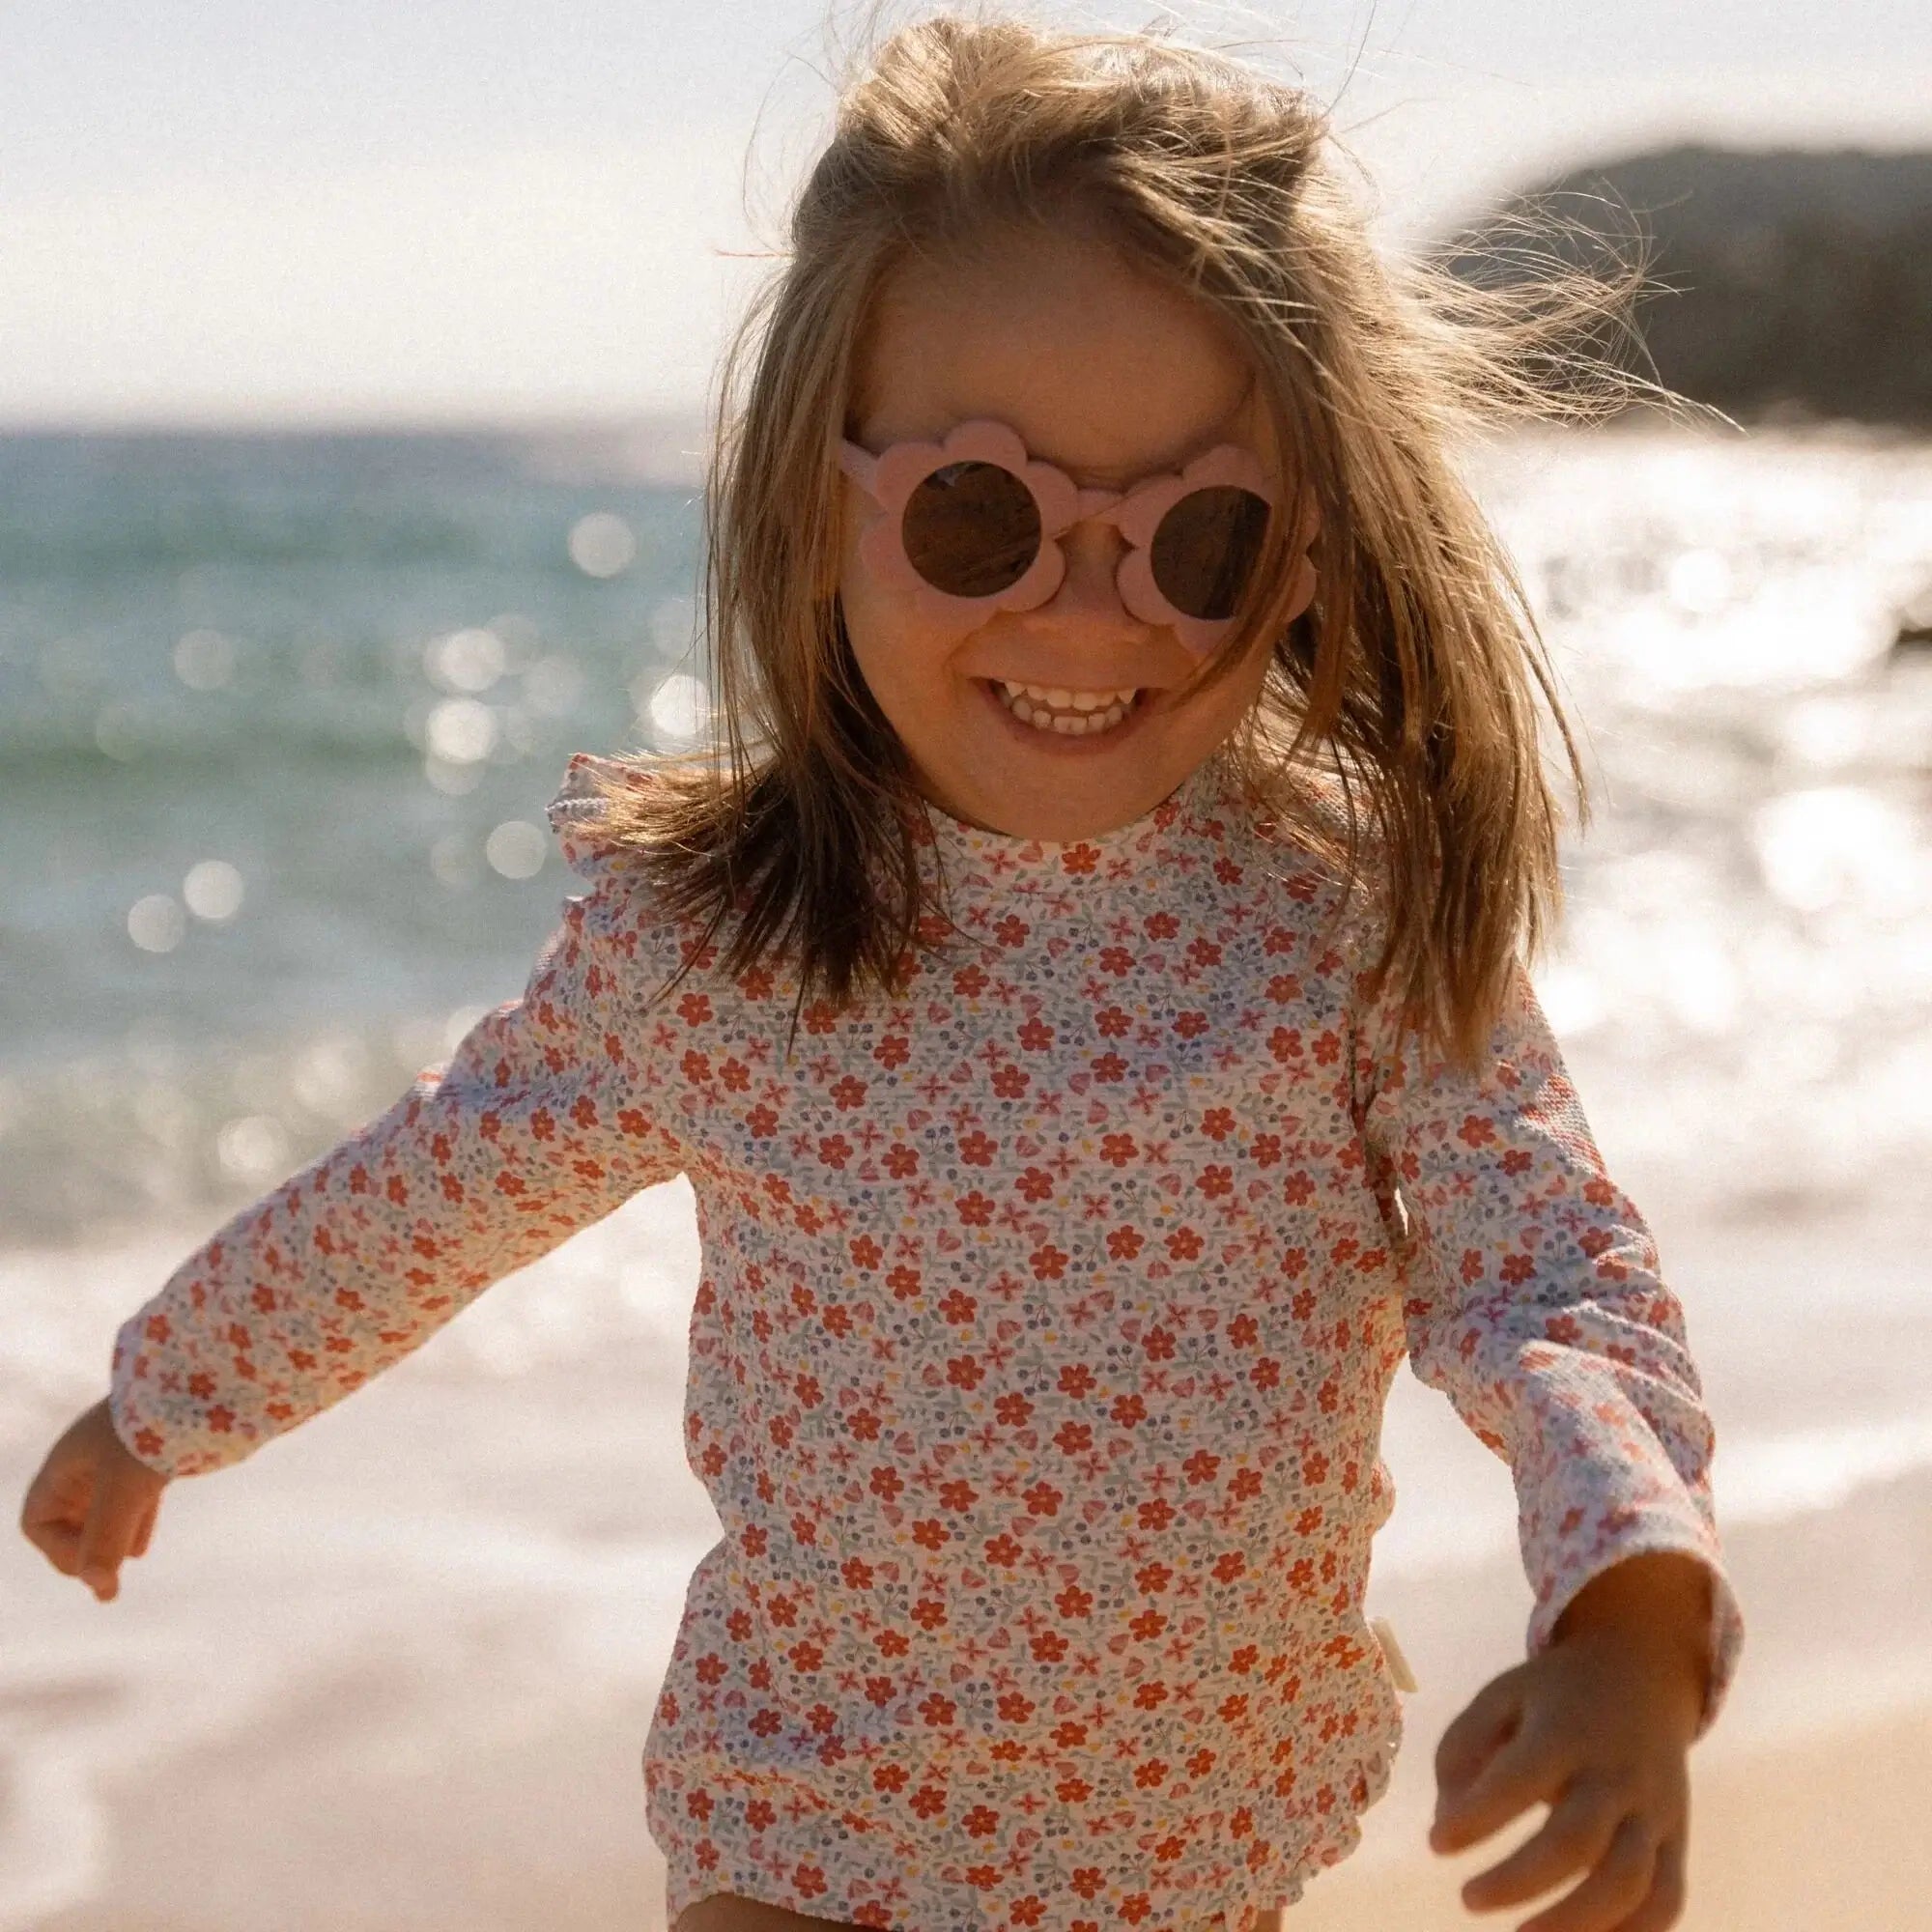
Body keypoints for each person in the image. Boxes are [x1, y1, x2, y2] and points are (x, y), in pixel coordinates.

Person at [20, 13, 1745, 1932]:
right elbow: (431, 1195)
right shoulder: (714, 946)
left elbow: (1543, 1269)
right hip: (804, 1825)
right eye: (980, 514)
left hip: (1195, 1849)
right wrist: (164, 1396)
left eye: (1199, 537)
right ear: (816, 500)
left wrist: (1627, 1608)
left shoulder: (1343, 924)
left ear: (1309, 548)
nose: (1083, 611)